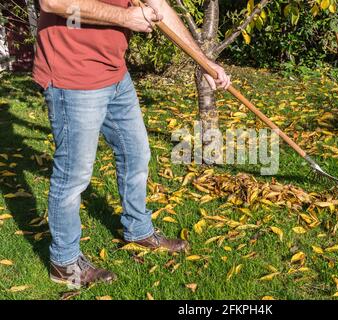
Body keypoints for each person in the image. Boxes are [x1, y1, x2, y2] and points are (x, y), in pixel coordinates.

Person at [33, 0, 231, 287]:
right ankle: (64, 262)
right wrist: (126, 17)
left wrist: (204, 63)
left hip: (114, 73)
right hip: (72, 77)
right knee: (73, 174)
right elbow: (55, 2)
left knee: (136, 152)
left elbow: (159, 6)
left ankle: (138, 229)